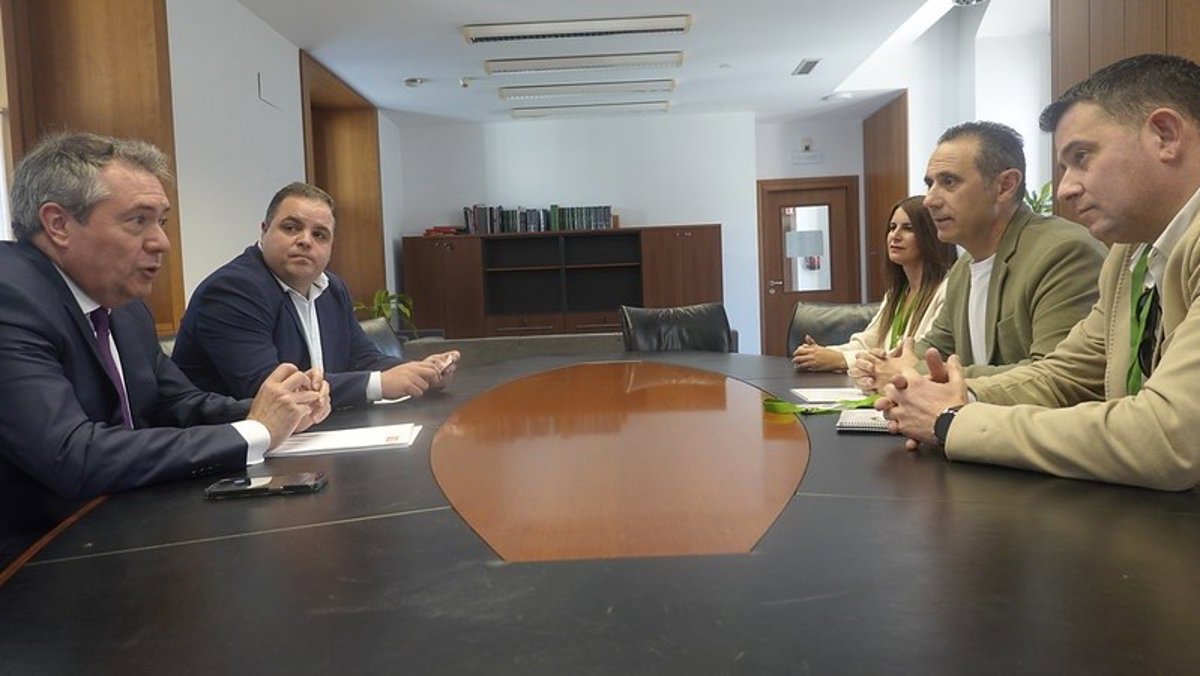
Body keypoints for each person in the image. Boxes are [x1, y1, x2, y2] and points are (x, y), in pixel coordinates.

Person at [0, 132, 330, 566]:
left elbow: (178, 404)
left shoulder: (125, 308)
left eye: (161, 222)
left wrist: (283, 408)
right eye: (138, 221)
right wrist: (256, 431)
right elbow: (71, 455)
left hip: (124, 535)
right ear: (58, 224)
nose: (162, 242)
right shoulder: (10, 295)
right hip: (32, 565)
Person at [877, 53, 1200, 491]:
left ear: (1166, 135)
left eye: (1082, 157)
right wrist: (956, 396)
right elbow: (1064, 376)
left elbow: (1168, 437)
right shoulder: (1129, 256)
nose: (1065, 188)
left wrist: (953, 421)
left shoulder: (1073, 249)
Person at [852, 121, 1106, 393]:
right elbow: (931, 350)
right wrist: (884, 363)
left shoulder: (1063, 253)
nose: (929, 200)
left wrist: (909, 372)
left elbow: (1057, 378)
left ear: (1005, 186)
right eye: (930, 184)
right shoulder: (963, 268)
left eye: (949, 182)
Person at [172, 182, 460, 410]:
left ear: (331, 246)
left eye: (320, 235)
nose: (305, 241)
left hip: (305, 435)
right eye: (291, 228)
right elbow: (268, 388)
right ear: (264, 230)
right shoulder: (233, 289)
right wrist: (380, 384)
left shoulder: (332, 288)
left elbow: (362, 359)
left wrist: (418, 373)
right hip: (230, 451)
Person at [792, 196, 957, 371]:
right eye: (892, 227)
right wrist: (821, 353)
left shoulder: (946, 291)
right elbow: (869, 341)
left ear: (931, 235)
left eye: (908, 228)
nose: (895, 236)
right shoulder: (896, 294)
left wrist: (841, 360)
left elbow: (915, 356)